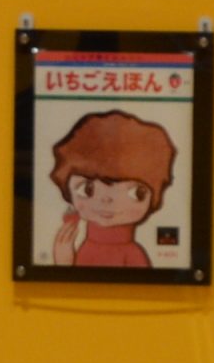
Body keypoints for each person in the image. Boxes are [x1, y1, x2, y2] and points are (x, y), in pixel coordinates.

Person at [48, 110, 175, 268]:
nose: (106, 199)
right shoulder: (86, 248)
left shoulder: (132, 254)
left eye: (136, 193)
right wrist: (64, 262)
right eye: (87, 189)